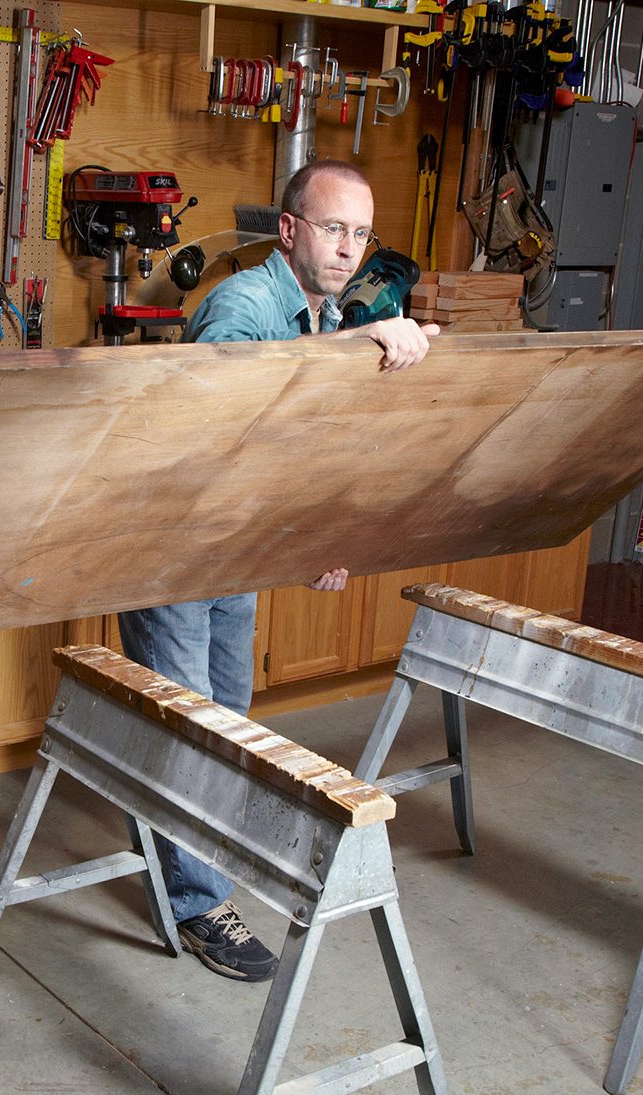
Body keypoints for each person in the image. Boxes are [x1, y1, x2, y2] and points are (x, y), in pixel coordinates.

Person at [119, 160, 439, 983]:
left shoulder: (316, 313)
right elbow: (225, 409)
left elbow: (289, 448)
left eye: (361, 233)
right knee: (191, 730)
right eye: (333, 228)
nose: (349, 248)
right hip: (177, 552)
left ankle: (195, 858)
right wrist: (358, 340)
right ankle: (195, 902)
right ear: (290, 230)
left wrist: (306, 538)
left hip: (236, 547)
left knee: (228, 719)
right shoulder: (246, 304)